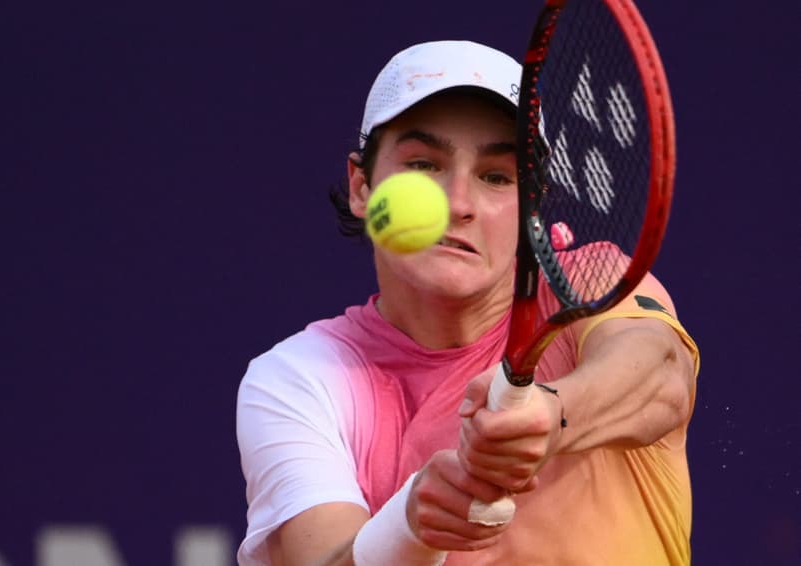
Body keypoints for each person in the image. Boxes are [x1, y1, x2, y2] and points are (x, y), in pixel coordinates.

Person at [236, 40, 700, 566]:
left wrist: (552, 415)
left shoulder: (590, 286)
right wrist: (409, 528)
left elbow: (659, 373)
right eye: (423, 164)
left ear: (533, 207)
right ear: (362, 186)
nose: (458, 203)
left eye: (496, 177)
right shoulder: (303, 377)